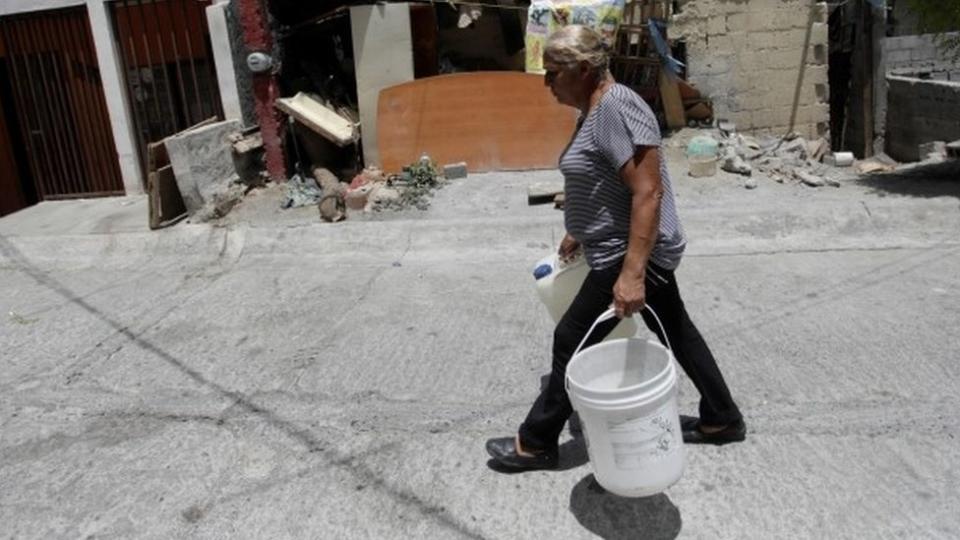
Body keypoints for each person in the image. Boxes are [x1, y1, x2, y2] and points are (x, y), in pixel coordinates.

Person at [486, 25, 745, 471]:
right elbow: (606, 180)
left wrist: (632, 273)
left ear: (583, 70)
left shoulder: (617, 107)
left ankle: (537, 441)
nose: (547, 83)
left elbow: (647, 193)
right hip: (617, 246)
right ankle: (722, 418)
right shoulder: (594, 107)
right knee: (677, 331)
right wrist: (580, 228)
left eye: (553, 74)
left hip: (632, 254)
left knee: (572, 340)